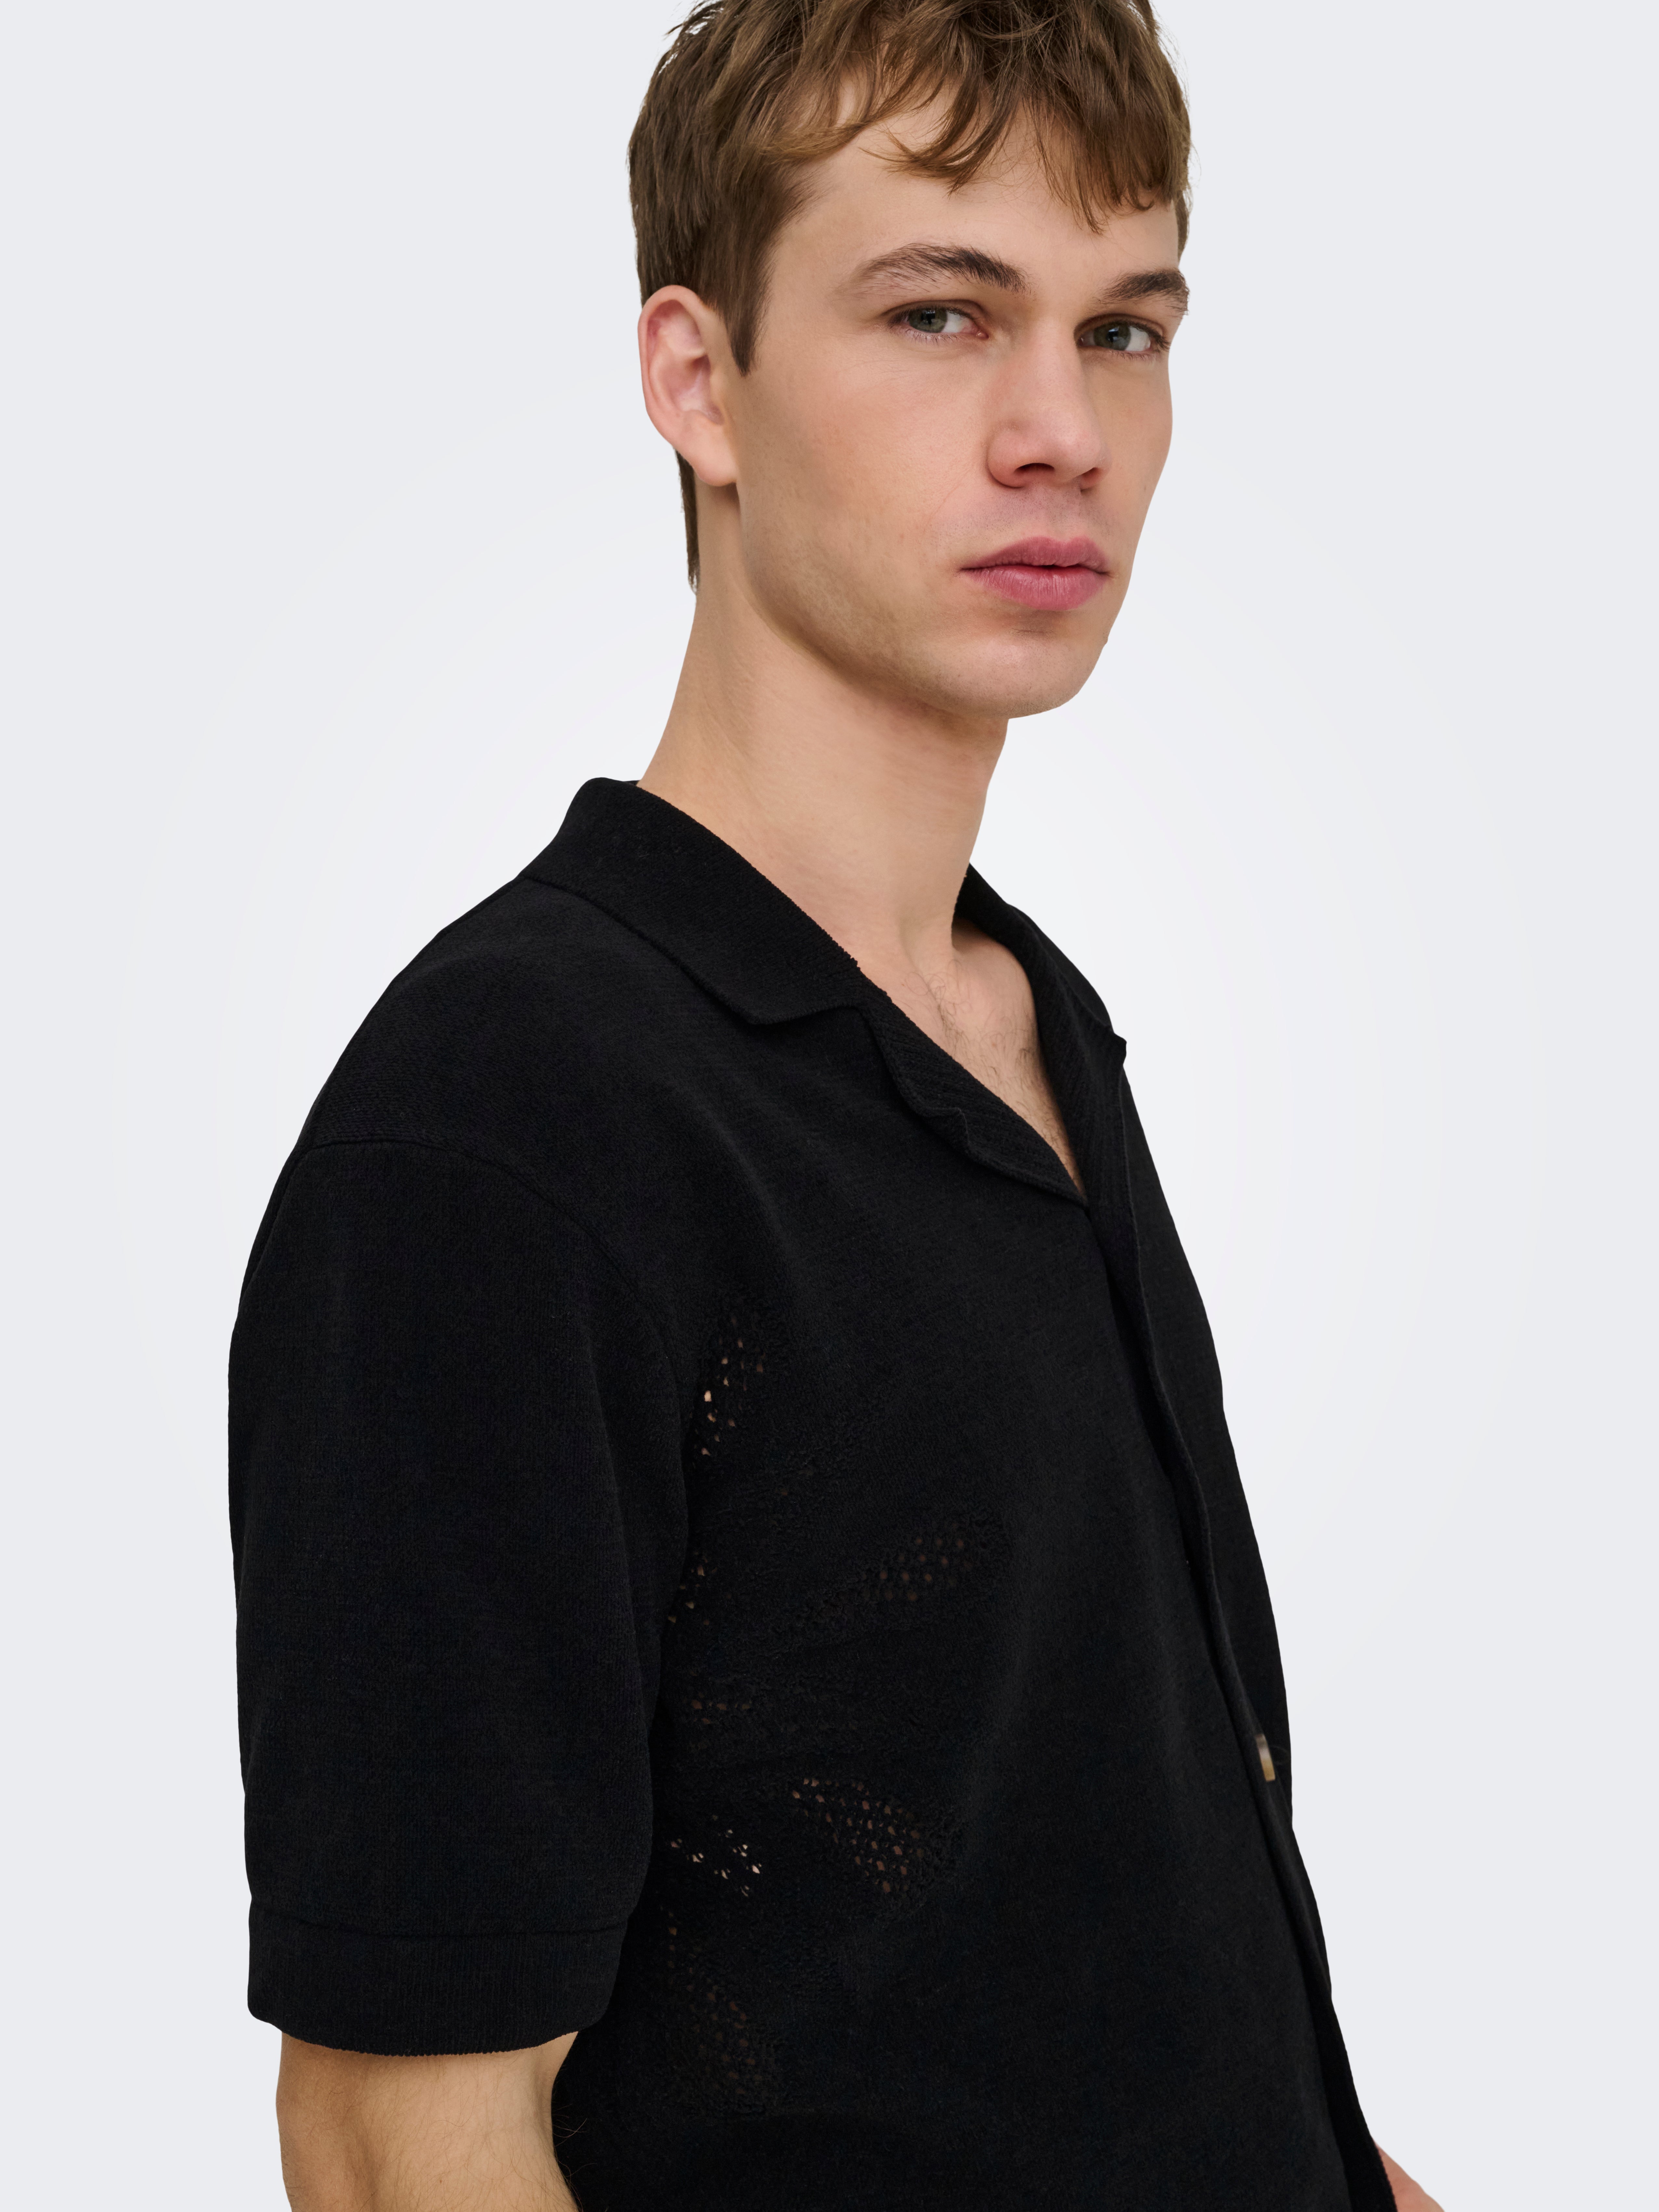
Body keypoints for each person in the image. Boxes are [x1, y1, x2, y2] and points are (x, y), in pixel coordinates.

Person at [232, 3, 1443, 2206]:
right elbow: (402, 2138)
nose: (1062, 431)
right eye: (941, 312)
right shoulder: (509, 1130)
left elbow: (1069, 1910)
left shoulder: (1027, 1020)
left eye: (1126, 327)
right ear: (699, 382)